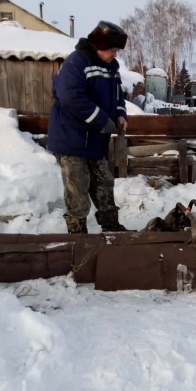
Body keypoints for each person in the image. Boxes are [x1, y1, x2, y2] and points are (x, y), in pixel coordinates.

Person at [47, 21, 130, 234]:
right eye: (112, 50)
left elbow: (118, 94)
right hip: (72, 139)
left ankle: (111, 228)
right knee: (78, 189)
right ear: (97, 46)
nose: (115, 54)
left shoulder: (111, 66)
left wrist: (120, 113)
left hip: (94, 140)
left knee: (104, 183)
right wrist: (103, 120)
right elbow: (71, 97)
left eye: (117, 50)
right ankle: (77, 234)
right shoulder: (76, 63)